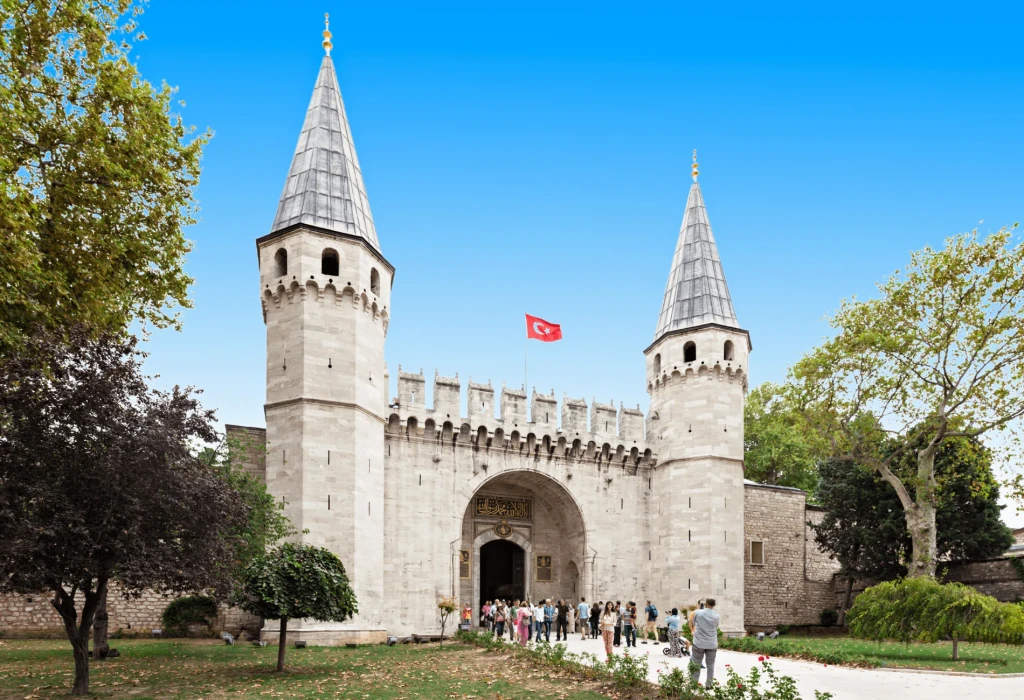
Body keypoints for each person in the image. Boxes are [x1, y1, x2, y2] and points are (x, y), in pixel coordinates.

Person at [689, 598, 720, 686]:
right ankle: (709, 685)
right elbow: (716, 626)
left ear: (705, 604)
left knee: (696, 663)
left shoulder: (698, 613)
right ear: (714, 605)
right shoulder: (716, 616)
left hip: (699, 642)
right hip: (712, 643)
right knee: (710, 665)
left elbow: (693, 622)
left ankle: (694, 683)